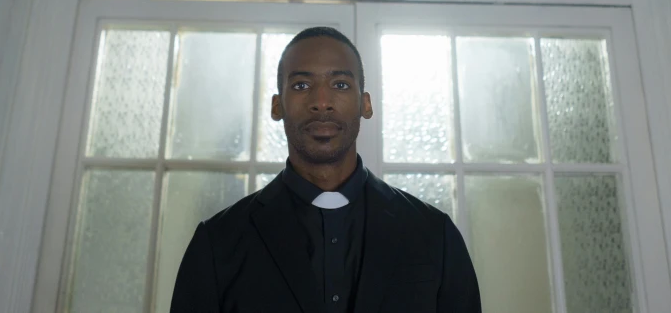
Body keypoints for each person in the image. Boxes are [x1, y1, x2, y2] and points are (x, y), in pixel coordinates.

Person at [170, 27, 481, 312]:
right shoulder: (218, 242)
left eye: (340, 84)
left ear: (366, 104)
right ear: (277, 106)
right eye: (302, 84)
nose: (321, 102)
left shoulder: (433, 234)